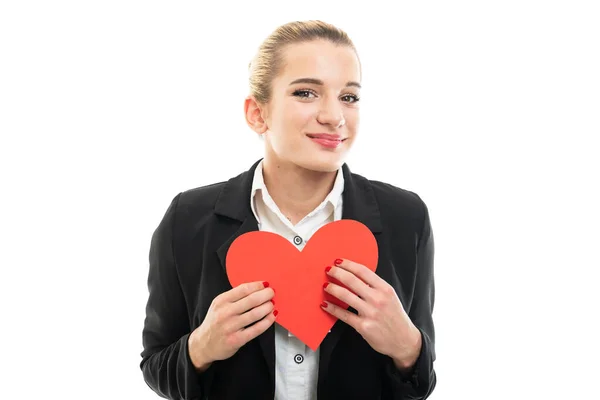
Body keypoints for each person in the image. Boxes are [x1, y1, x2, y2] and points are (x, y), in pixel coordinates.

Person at [140, 20, 436, 400]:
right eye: (306, 93)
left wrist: (407, 346)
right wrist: (201, 348)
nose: (335, 116)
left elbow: (421, 381)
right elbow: (155, 367)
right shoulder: (188, 217)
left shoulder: (406, 217)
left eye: (349, 97)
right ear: (256, 114)